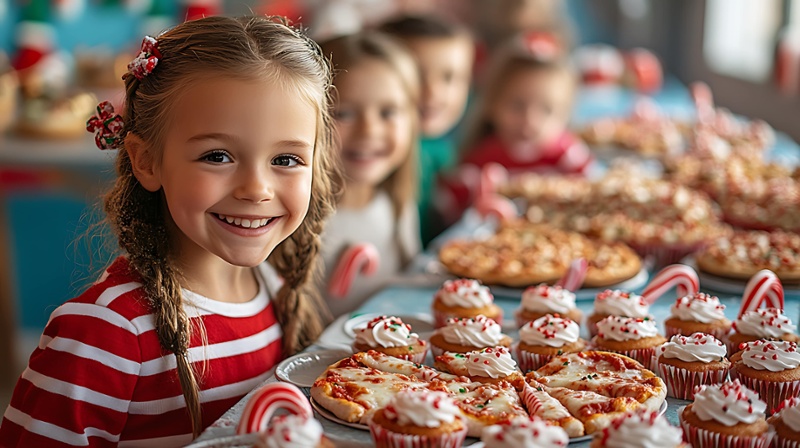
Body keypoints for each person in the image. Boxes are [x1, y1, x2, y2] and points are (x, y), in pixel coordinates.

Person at [0, 16, 340, 447]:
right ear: (146, 161)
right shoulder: (102, 335)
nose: (257, 189)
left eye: (287, 160)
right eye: (217, 156)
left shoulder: (275, 289)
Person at [436, 31, 593, 226]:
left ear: (566, 113)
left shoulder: (569, 156)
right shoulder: (479, 163)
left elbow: (593, 193)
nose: (530, 120)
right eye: (517, 105)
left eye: (547, 109)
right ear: (492, 102)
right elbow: (447, 213)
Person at [319, 32, 421, 317]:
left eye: (388, 112)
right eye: (344, 114)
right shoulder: (293, 226)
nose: (369, 131)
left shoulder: (397, 203)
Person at [379, 14, 475, 245]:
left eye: (449, 77)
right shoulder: (376, 158)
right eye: (417, 75)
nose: (433, 93)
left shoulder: (441, 152)